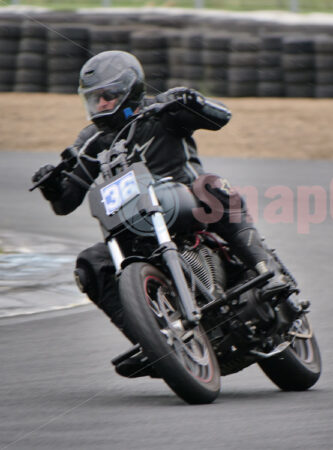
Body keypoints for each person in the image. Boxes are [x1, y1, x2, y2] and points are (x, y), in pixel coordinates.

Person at [32, 51, 291, 377]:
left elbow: (220, 118)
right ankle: (151, 338)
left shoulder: (163, 113)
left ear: (130, 89)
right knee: (89, 265)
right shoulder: (92, 141)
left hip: (184, 201)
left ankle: (266, 270)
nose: (99, 105)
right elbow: (66, 203)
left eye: (107, 96)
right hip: (133, 227)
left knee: (211, 186)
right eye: (94, 99)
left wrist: (191, 101)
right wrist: (53, 186)